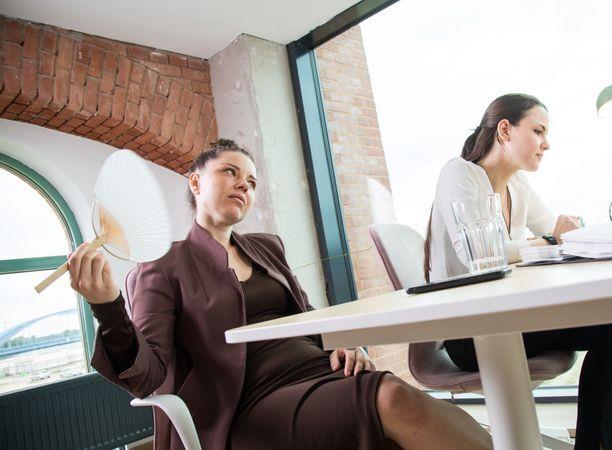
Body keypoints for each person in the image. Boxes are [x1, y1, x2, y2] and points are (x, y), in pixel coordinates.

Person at [69, 139, 492, 450]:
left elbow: (310, 316)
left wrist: (347, 343)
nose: (244, 185)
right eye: (230, 172)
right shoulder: (162, 266)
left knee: (405, 413)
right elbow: (147, 374)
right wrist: (107, 308)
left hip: (318, 368)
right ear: (195, 182)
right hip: (250, 399)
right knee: (391, 397)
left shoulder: (266, 246)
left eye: (251, 181)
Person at [425, 94, 612, 450]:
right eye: (538, 131)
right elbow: (479, 255)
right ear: (505, 130)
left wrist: (576, 236)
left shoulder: (518, 186)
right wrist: (549, 239)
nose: (546, 144)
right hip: (470, 331)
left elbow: (560, 235)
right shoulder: (460, 173)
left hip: (510, 316)